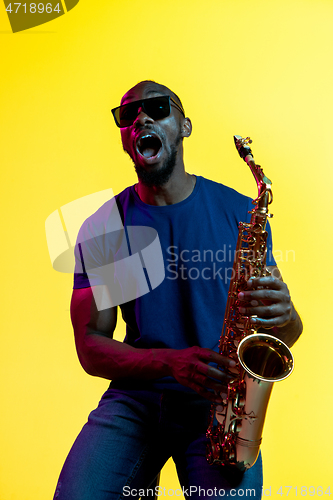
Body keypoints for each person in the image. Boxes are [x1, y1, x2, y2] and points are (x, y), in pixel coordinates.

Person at [53, 80, 302, 500]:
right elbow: (91, 346)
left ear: (185, 126)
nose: (141, 119)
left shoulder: (239, 213)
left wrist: (287, 316)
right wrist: (170, 362)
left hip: (218, 406)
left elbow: (281, 338)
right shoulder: (107, 227)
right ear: (124, 138)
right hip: (136, 401)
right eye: (127, 115)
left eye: (157, 108)